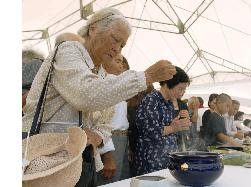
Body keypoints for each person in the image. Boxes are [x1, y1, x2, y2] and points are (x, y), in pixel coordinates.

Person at [22, 7, 176, 187]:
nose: (117, 49)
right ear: (93, 28)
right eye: (115, 39)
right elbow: (85, 94)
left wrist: (97, 136)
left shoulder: (100, 73)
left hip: (76, 160)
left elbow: (105, 121)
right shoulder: (68, 50)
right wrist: (146, 76)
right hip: (44, 156)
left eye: (122, 45)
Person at [134, 66, 191, 175]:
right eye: (180, 88)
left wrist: (179, 125)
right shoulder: (152, 100)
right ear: (167, 83)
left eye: (184, 89)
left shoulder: (168, 103)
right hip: (151, 161)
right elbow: (151, 131)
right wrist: (173, 127)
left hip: (165, 159)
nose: (182, 93)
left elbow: (169, 129)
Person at [96, 55, 131, 185]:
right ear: (104, 63)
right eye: (117, 61)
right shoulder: (103, 85)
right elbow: (100, 123)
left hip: (121, 139)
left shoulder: (119, 87)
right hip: (110, 139)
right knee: (109, 180)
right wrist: (108, 155)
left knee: (119, 180)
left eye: (123, 63)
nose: (121, 66)